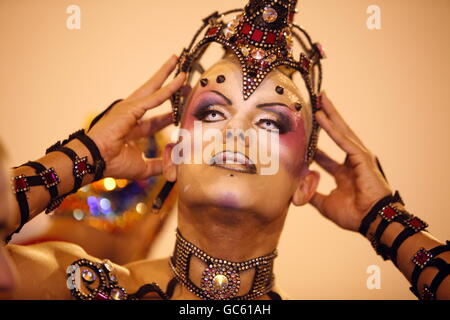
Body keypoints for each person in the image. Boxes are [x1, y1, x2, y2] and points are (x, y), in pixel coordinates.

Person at [0, 0, 449, 300]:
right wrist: (86, 153)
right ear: (175, 157)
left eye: (271, 121)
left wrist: (384, 220)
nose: (237, 130)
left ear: (305, 183)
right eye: (213, 113)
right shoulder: (79, 285)